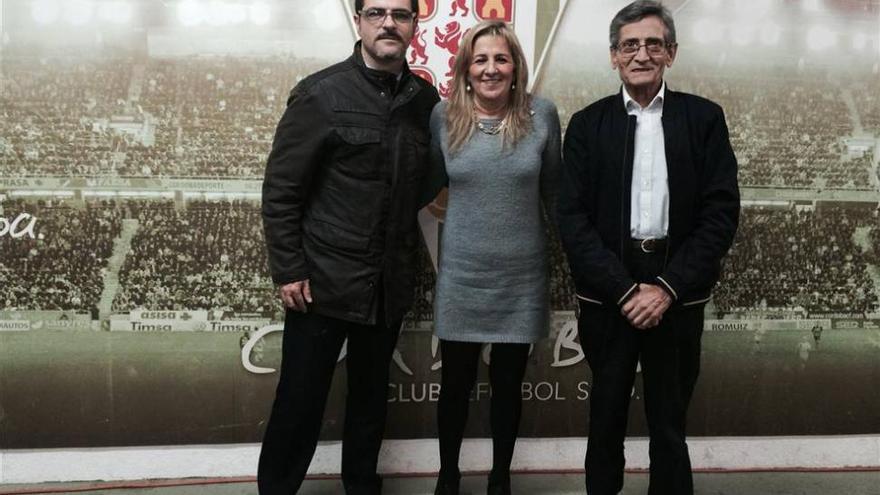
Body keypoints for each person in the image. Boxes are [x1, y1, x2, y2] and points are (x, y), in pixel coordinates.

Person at [557, 2, 740, 494]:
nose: (642, 54)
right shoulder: (587, 123)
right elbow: (571, 219)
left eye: (653, 44)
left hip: (676, 296)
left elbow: (720, 215)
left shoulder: (704, 119)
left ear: (671, 53)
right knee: (605, 422)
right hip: (607, 296)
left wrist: (666, 288)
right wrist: (623, 290)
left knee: (669, 425)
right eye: (631, 45)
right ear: (614, 56)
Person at [258, 0, 440, 493]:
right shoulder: (320, 93)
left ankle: (362, 485)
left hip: (388, 284)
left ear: (413, 25)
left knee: (369, 404)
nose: (388, 22)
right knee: (299, 403)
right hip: (322, 284)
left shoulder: (426, 101)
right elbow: (281, 189)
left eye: (400, 14)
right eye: (376, 12)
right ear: (358, 21)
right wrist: (289, 268)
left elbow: (426, 183)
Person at [424, 20, 561, 495]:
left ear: (516, 67)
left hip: (521, 278)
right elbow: (423, 187)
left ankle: (500, 477)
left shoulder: (543, 115)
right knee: (455, 388)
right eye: (481, 59)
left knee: (508, 387)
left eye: (501, 58)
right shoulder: (443, 118)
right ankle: (448, 475)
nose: (491, 68)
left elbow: (555, 195)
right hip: (462, 275)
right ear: (465, 68)